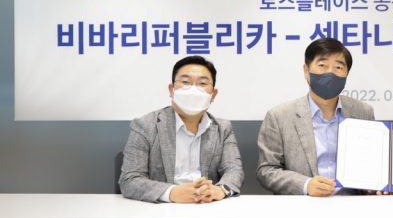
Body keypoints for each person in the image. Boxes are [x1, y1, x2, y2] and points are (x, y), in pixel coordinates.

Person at [256, 38, 375, 196]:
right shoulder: (279, 116)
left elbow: (373, 165)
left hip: (352, 203)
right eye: (322, 65)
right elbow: (266, 170)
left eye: (338, 67)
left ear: (346, 74)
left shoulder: (363, 113)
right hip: (304, 204)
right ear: (306, 71)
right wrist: (305, 185)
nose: (330, 73)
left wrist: (373, 185)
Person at [119, 56, 244, 203]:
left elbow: (234, 170)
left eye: (202, 83)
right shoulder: (146, 125)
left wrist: (219, 190)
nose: (193, 90)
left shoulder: (223, 128)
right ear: (171, 90)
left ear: (213, 95)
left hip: (207, 206)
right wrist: (171, 193)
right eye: (185, 82)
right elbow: (130, 180)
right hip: (161, 209)